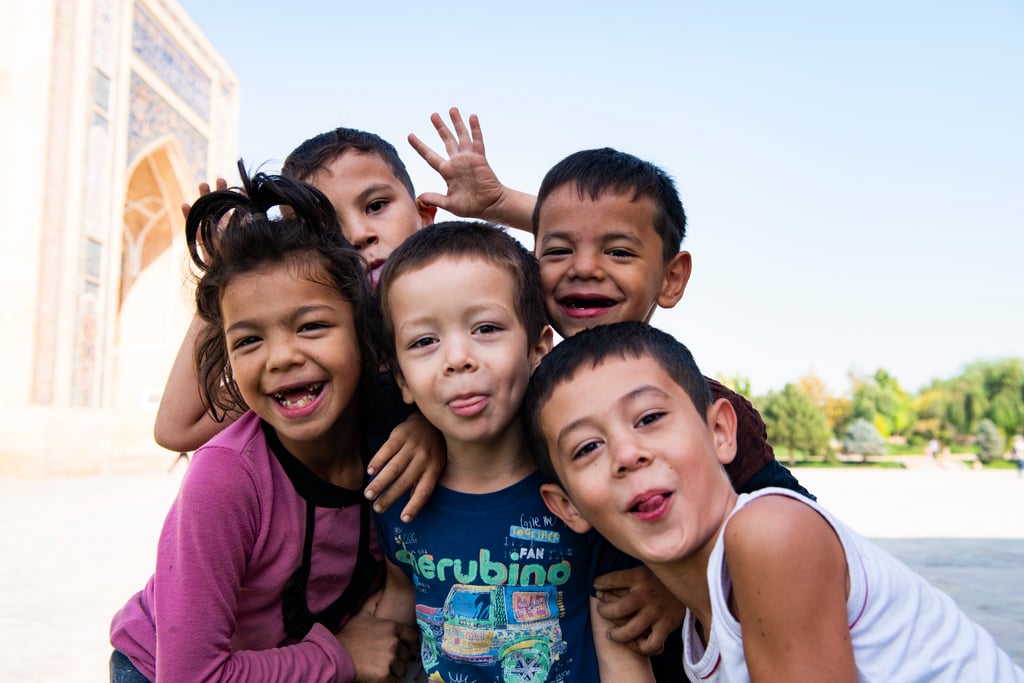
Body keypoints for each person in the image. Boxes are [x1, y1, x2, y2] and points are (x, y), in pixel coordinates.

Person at [523, 321, 1024, 682]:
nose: (628, 454)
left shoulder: (769, 531)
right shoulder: (707, 627)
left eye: (650, 418)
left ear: (720, 431)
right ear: (567, 507)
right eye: (588, 447)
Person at [109, 168, 419, 682]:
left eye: (312, 326)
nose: (280, 357)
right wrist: (338, 657)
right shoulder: (228, 477)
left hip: (284, 658)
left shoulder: (390, 436)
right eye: (248, 340)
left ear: (364, 334)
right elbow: (189, 675)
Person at [373, 221, 655, 681]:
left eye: (486, 328)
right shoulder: (394, 490)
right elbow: (399, 606)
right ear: (401, 379)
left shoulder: (584, 491)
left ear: (538, 347)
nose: (457, 357)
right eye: (424, 341)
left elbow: (621, 655)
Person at [153, 128, 445, 521]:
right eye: (329, 227)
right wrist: (228, 273)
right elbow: (177, 428)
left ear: (424, 215)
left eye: (376, 205)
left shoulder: (462, 316)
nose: (358, 235)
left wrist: (439, 431)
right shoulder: (317, 357)